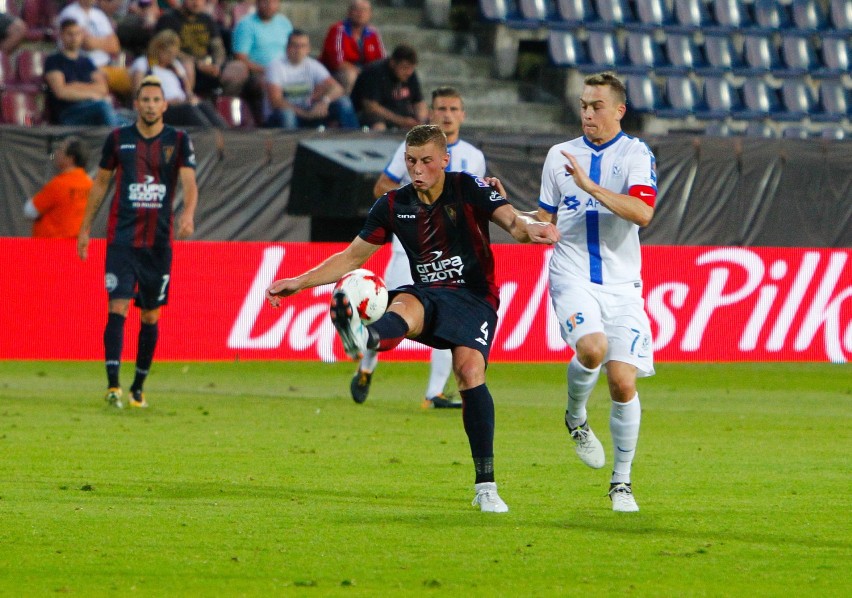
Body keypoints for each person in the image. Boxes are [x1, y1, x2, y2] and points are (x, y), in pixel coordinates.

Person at [266, 124, 559, 513]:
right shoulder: (391, 204)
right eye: (410, 161)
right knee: (403, 306)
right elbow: (352, 258)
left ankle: (485, 485)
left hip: (474, 296)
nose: (416, 169)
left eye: (425, 161)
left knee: (469, 371)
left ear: (444, 160)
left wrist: (533, 229)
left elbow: (513, 223)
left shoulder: (469, 187)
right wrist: (300, 282)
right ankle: (365, 338)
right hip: (428, 293)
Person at [534, 72, 656, 512]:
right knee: (592, 349)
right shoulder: (558, 155)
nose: (588, 113)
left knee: (623, 382)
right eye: (584, 105)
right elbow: (546, 218)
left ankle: (621, 483)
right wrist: (513, 214)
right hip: (572, 275)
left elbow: (642, 212)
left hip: (624, 286)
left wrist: (591, 187)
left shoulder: (636, 153)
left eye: (597, 106)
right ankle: (576, 417)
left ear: (619, 110)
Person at [351, 86, 486, 408]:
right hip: (407, 252)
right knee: (385, 312)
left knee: (449, 323)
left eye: (453, 109)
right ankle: (366, 366)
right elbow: (382, 186)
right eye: (441, 109)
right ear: (431, 113)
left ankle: (434, 392)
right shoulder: (409, 149)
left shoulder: (475, 158)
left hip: (452, 259)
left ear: (463, 115)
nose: (447, 115)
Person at [77, 75, 198, 410]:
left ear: (164, 104)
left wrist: (188, 214)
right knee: (116, 306)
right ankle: (113, 385)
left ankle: (138, 388)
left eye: (155, 100)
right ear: (136, 104)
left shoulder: (178, 139)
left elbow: (189, 183)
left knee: (149, 315)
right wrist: (85, 228)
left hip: (158, 244)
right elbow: (100, 185)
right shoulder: (118, 139)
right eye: (144, 100)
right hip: (122, 240)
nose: (149, 105)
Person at [264, 29, 359, 130]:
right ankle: (289, 145)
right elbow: (276, 101)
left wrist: (324, 101)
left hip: (309, 111)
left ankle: (354, 137)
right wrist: (305, 114)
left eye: (303, 46)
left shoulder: (313, 65)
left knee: (343, 102)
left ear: (308, 49)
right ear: (287, 48)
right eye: (295, 45)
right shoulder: (276, 67)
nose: (298, 50)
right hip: (282, 115)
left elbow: (338, 88)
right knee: (288, 115)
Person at [130, 29, 226, 127]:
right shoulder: (143, 64)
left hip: (182, 104)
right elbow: (138, 94)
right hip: (160, 109)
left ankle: (227, 135)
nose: (171, 57)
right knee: (188, 110)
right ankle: (209, 136)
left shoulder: (175, 67)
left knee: (204, 106)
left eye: (173, 54)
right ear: (158, 49)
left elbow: (188, 91)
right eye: (168, 53)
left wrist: (191, 98)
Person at [44, 19, 122, 126]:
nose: (74, 38)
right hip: (68, 114)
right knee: (103, 107)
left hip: (92, 109)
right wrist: (91, 93)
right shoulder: (54, 60)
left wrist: (74, 86)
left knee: (129, 119)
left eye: (77, 34)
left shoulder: (86, 62)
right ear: (61, 35)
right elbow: (61, 92)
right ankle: (115, 140)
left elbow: (103, 88)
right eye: (69, 34)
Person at [229, 0, 293, 125]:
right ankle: (267, 122)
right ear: (257, 4)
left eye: (273, 2)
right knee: (267, 84)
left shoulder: (284, 23)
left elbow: (293, 48)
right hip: (258, 73)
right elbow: (240, 58)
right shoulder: (246, 25)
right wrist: (269, 70)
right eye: (265, 2)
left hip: (286, 70)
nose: (269, 6)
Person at [56, 0, 132, 98]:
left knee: (139, 78)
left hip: (106, 66)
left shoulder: (99, 14)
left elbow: (115, 46)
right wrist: (104, 42)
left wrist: (95, 42)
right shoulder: (70, 13)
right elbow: (86, 43)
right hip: (83, 67)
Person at [155, 0, 231, 98]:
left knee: (234, 70)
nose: (196, 3)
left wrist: (217, 65)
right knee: (188, 65)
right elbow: (166, 49)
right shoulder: (169, 19)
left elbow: (218, 48)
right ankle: (187, 102)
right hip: (180, 64)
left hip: (208, 65)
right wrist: (197, 63)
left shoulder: (207, 19)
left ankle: (225, 105)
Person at [24, 137, 93, 239]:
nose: (57, 153)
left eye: (60, 150)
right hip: (78, 246)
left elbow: (29, 211)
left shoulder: (59, 184)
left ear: (70, 158)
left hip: (53, 246)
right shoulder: (90, 184)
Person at [350, 43, 427, 131]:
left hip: (400, 115)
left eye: (411, 68)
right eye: (404, 68)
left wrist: (421, 121)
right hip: (373, 116)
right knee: (379, 126)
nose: (408, 72)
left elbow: (418, 101)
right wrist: (401, 121)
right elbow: (371, 106)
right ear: (392, 63)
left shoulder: (410, 74)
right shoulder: (375, 72)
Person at [319, 0, 385, 95]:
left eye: (365, 10)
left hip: (365, 71)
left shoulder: (373, 32)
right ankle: (349, 106)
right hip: (335, 73)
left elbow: (382, 60)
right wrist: (363, 72)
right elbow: (338, 63)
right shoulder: (338, 30)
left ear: (370, 14)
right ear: (349, 13)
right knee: (350, 75)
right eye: (357, 10)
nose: (360, 14)